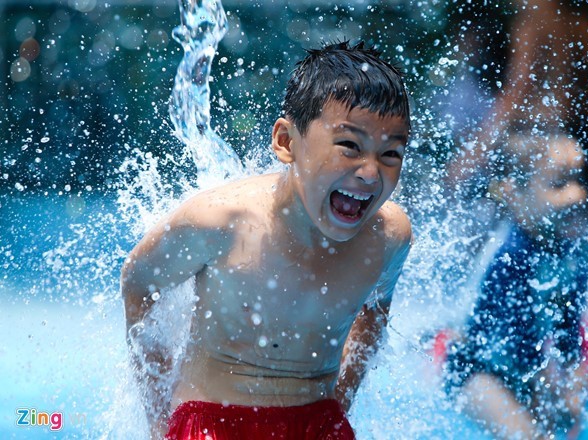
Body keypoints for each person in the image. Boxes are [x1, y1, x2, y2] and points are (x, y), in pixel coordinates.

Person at [121, 41, 412, 439]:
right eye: (349, 146)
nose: (370, 173)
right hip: (211, 421)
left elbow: (375, 310)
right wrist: (158, 419)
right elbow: (138, 282)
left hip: (319, 423)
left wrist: (341, 400)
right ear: (287, 143)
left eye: (391, 154)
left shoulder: (388, 237)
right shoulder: (219, 223)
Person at [444, 125, 588, 439]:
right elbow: (509, 335)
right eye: (559, 183)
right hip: (475, 373)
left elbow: (569, 328)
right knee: (526, 435)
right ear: (515, 194)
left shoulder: (571, 253)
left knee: (568, 415)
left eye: (580, 180)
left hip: (520, 369)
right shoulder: (509, 256)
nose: (578, 194)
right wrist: (544, 389)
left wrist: (570, 384)